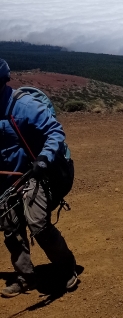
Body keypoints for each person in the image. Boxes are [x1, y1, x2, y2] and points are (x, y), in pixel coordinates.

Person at [0, 59, 78, 297]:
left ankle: (66, 269)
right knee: (9, 224)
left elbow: (55, 131)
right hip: (8, 177)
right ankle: (25, 277)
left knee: (36, 222)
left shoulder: (24, 106)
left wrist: (43, 159)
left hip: (38, 172)